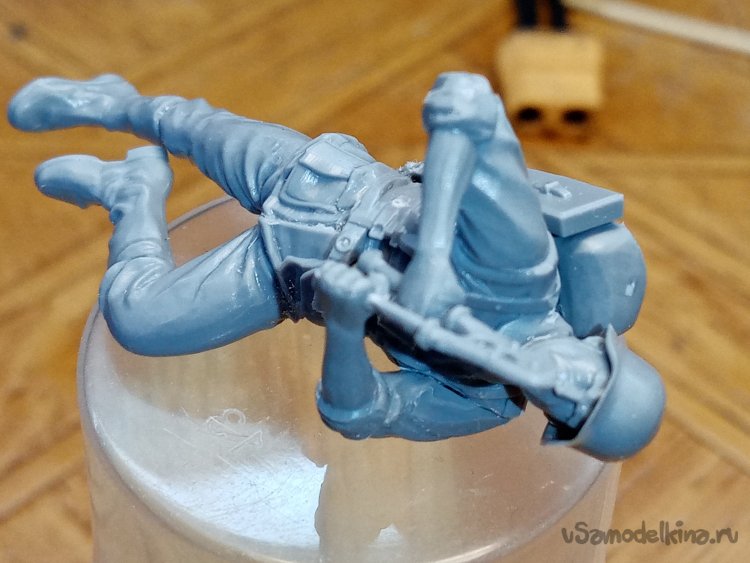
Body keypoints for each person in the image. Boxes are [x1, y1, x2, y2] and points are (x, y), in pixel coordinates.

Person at [8, 72, 663, 459]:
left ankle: (130, 193)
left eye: (568, 410)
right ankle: (111, 103)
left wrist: (347, 325)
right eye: (586, 381)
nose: (560, 387)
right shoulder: (523, 270)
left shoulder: (482, 402)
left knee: (138, 319)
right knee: (188, 126)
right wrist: (435, 256)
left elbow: (358, 414)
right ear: (597, 350)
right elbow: (466, 102)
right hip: (328, 180)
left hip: (289, 272)